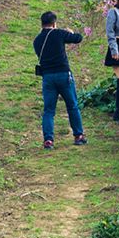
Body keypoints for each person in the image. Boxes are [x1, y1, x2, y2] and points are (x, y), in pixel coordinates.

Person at [34, 11, 85, 150]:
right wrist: (70, 31)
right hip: (63, 74)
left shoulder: (37, 40)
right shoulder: (59, 33)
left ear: (42, 23)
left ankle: (48, 140)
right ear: (54, 23)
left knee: (49, 110)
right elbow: (78, 38)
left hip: (48, 78)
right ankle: (78, 136)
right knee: (72, 105)